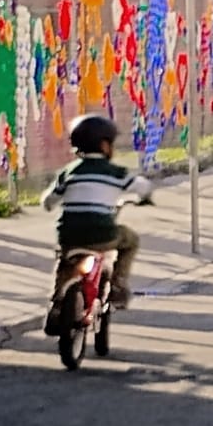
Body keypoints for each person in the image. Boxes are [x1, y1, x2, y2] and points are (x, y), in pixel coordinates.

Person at [42, 115, 154, 333]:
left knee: (65, 263)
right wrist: (145, 196)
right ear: (104, 145)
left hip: (69, 234)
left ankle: (56, 306)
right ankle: (118, 285)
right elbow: (142, 186)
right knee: (130, 240)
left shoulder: (69, 172)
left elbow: (48, 201)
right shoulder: (115, 173)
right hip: (103, 234)